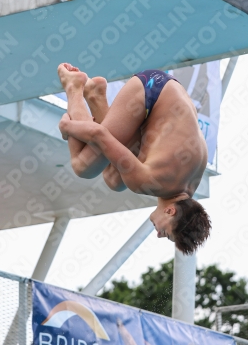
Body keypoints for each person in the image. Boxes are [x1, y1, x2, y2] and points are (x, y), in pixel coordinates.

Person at [57, 63, 212, 255]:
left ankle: (96, 96)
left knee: (116, 180)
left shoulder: (189, 185)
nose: (159, 235)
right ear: (171, 212)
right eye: (168, 235)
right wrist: (68, 128)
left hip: (167, 90)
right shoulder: (150, 181)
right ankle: (74, 86)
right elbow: (98, 134)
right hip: (149, 90)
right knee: (83, 166)